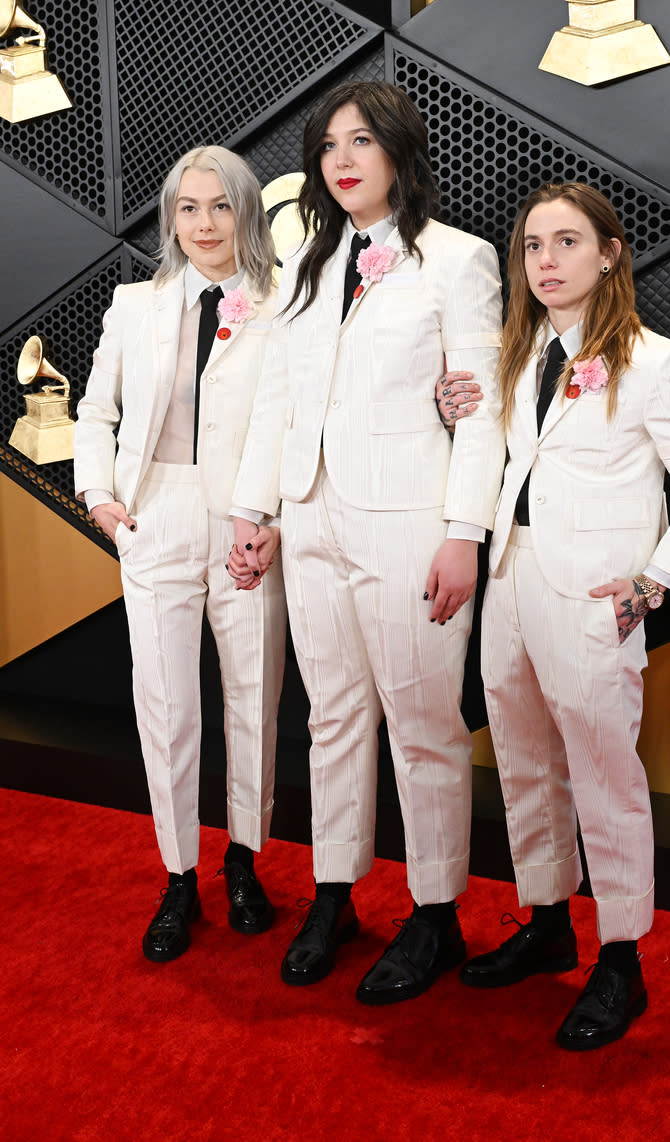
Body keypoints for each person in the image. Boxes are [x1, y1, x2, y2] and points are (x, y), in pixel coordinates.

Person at [437, 182, 670, 1048]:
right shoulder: (518, 351)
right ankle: (545, 925)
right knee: (525, 766)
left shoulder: (654, 360)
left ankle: (622, 960)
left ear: (609, 252)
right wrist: (449, 406)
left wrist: (653, 584)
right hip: (513, 587)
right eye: (532, 246)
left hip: (595, 603)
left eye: (567, 243)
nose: (546, 262)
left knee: (607, 781)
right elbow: (500, 457)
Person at [230, 81, 505, 1004]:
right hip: (310, 518)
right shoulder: (304, 261)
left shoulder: (456, 261)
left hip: (407, 524)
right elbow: (278, 400)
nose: (342, 160)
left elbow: (481, 407)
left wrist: (466, 531)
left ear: (398, 152)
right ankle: (335, 892)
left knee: (425, 725)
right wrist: (256, 511)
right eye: (328, 146)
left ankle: (435, 914)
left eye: (362, 142)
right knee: (334, 715)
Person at [73, 146, 287, 963]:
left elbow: (290, 421)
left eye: (221, 206)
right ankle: (178, 874)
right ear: (170, 218)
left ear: (248, 213)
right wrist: (101, 499)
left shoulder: (280, 304)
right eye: (188, 208)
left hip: (243, 521)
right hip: (153, 513)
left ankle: (243, 860)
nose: (204, 224)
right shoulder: (136, 302)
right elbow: (94, 411)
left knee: (252, 696)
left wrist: (262, 517)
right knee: (164, 703)